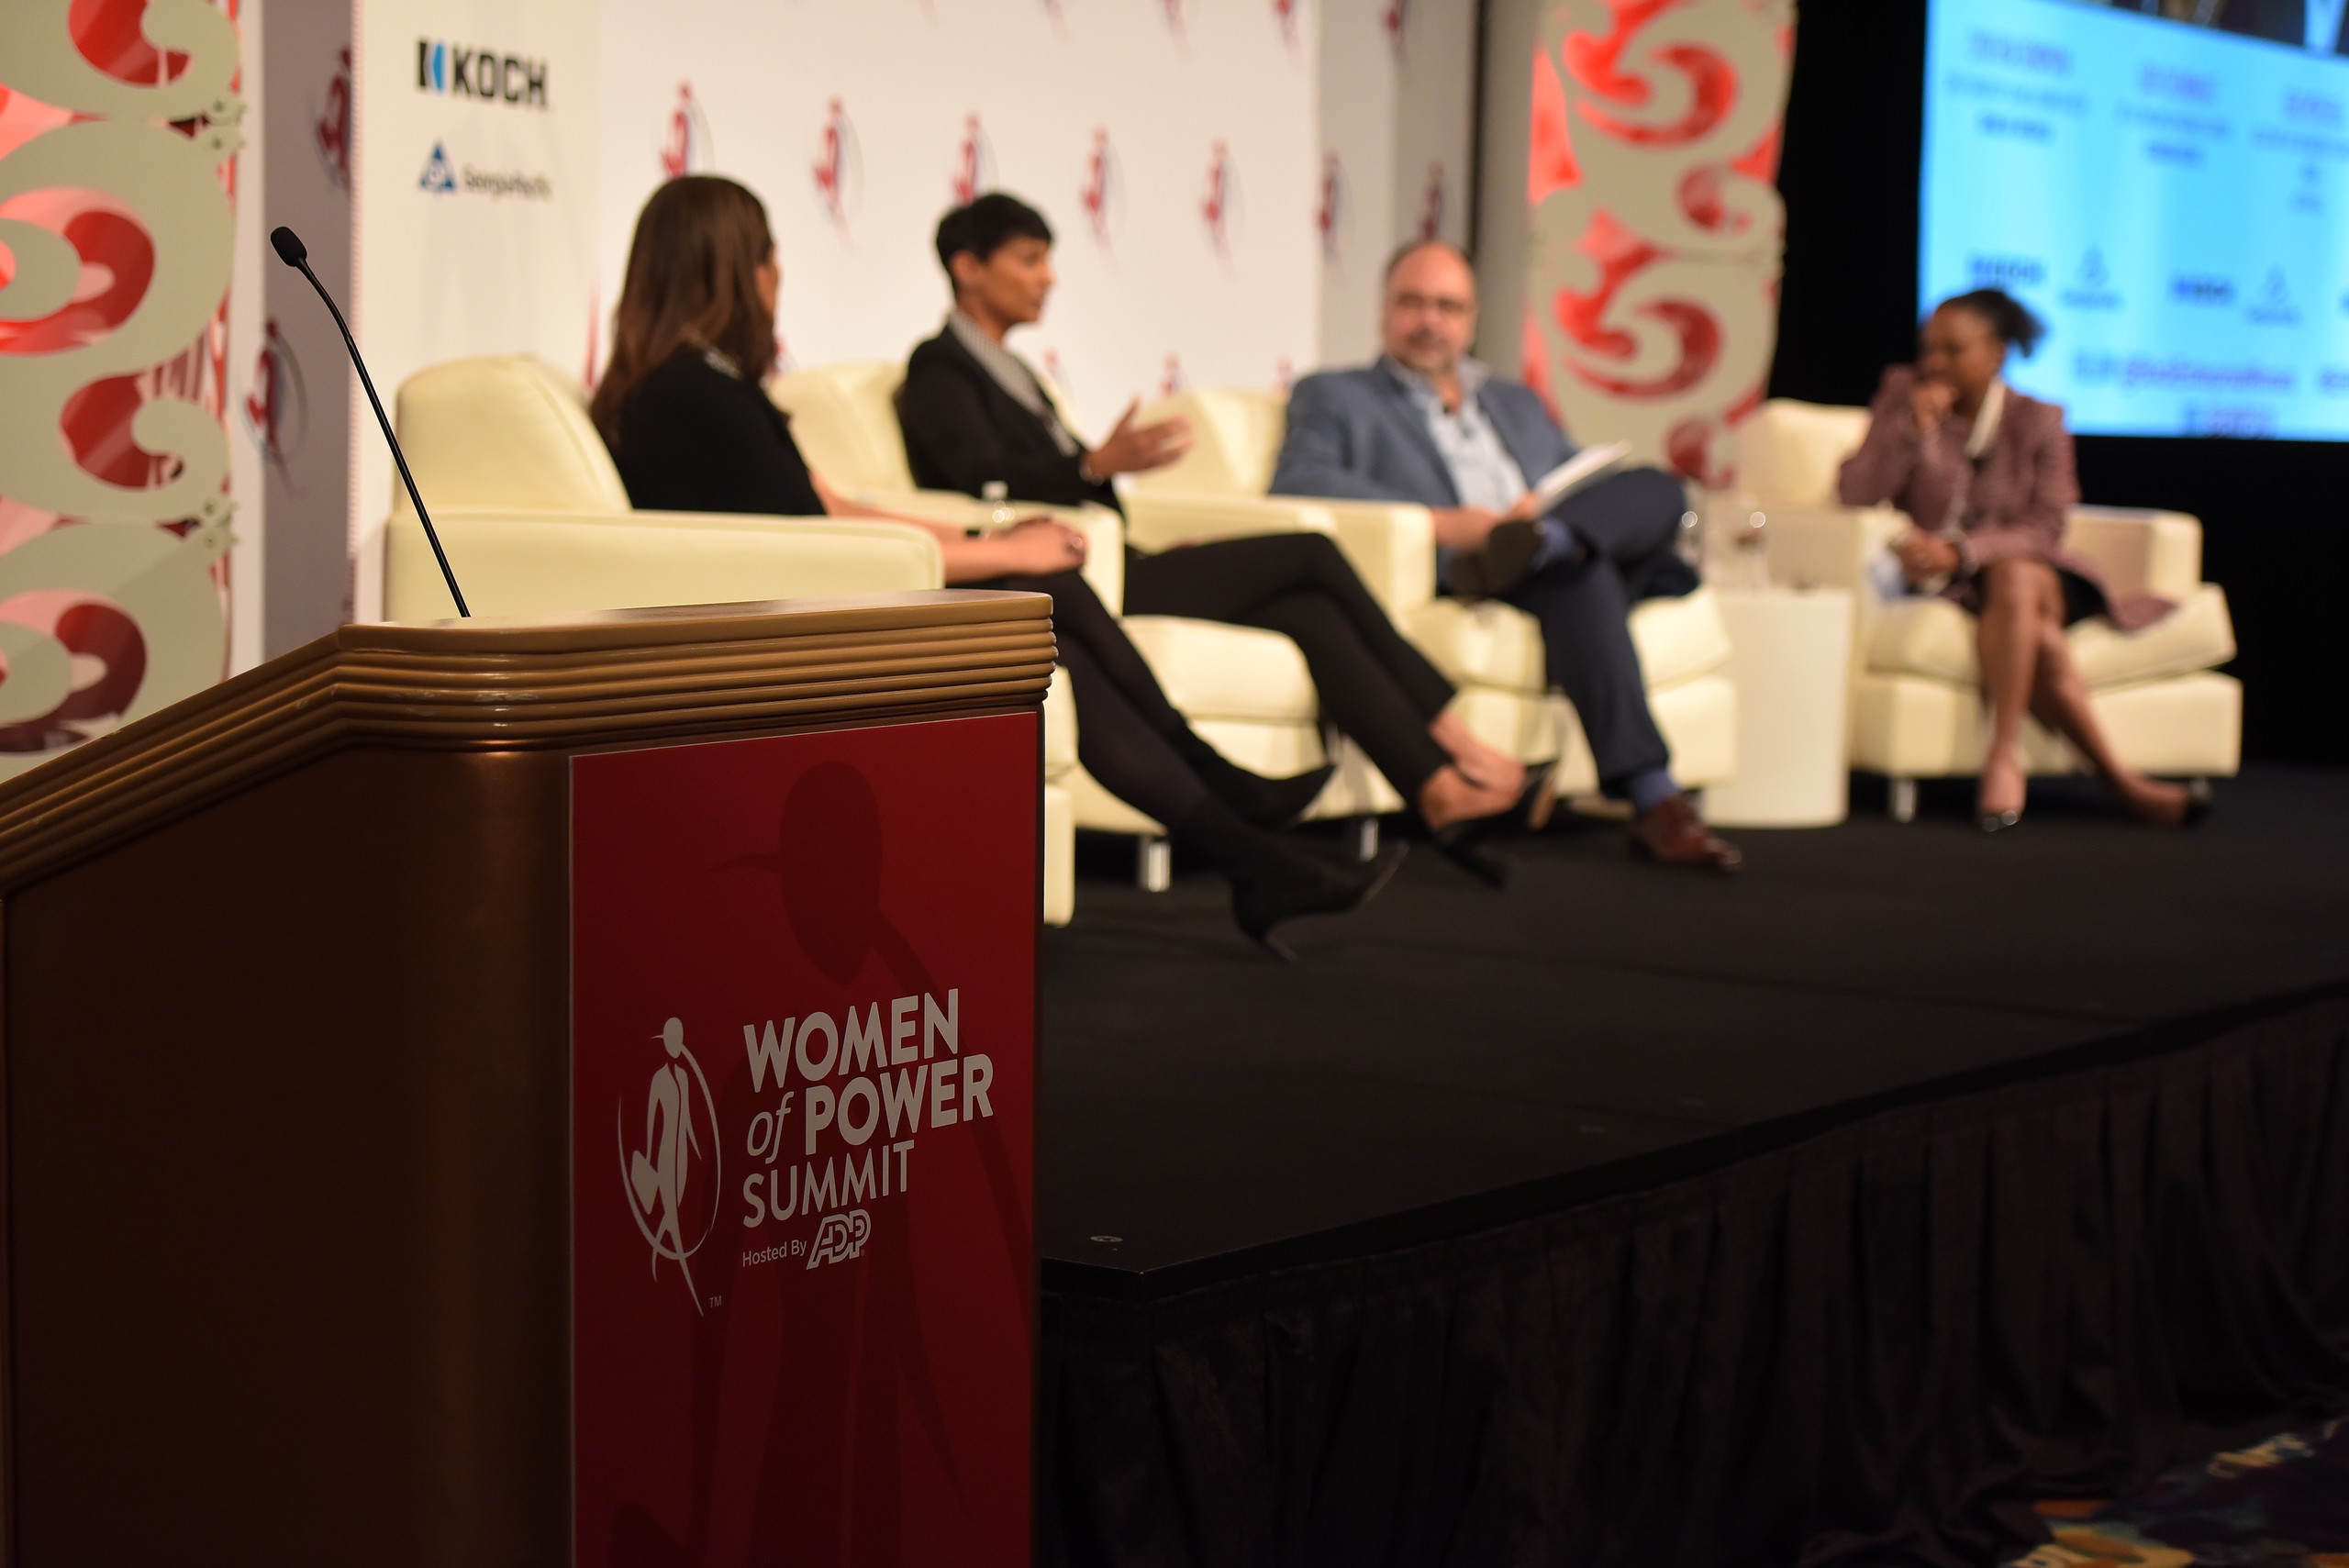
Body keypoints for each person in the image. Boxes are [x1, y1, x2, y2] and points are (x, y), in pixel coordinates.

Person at [587, 175, 1403, 956]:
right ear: (733, 268)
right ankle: (1229, 804)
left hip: (818, 589)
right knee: (1048, 593)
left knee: (1053, 630)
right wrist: (1006, 550)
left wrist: (994, 535)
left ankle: (1248, 852)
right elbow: (819, 542)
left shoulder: (704, 389)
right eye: (768, 254)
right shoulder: (691, 398)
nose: (778, 273)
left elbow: (836, 508)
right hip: (792, 622)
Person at [894, 193, 1547, 884]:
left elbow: (1055, 481)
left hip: (1116, 557)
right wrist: (1093, 465)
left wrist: (1106, 480)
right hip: (1073, 577)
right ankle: (1459, 742)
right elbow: (981, 479)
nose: (1047, 278)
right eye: (1029, 260)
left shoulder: (1015, 371)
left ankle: (1438, 792)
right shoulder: (939, 368)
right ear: (968, 267)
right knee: (1311, 551)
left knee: (1308, 610)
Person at [1270, 239, 1741, 873]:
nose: (1430, 321)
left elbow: (1575, 477)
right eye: (1412, 303)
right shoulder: (1335, 394)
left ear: (1471, 319)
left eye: (1448, 307)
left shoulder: (1514, 401)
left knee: (1655, 487)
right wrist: (1444, 524)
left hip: (1541, 553)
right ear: (1383, 310)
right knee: (1586, 574)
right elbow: (1301, 479)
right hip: (1464, 565)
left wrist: (1552, 517)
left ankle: (1548, 543)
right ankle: (1654, 797)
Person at [1837, 288, 2208, 831]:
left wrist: (1962, 551)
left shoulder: (2037, 419)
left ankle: (2002, 752)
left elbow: (2047, 525)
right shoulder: (1901, 397)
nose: (1935, 362)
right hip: (1957, 590)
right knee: (2041, 641)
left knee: (2015, 575)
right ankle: (2124, 784)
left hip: (2039, 577)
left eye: (1953, 349)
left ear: (1996, 353)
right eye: (1928, 347)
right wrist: (1909, 433)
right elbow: (1854, 494)